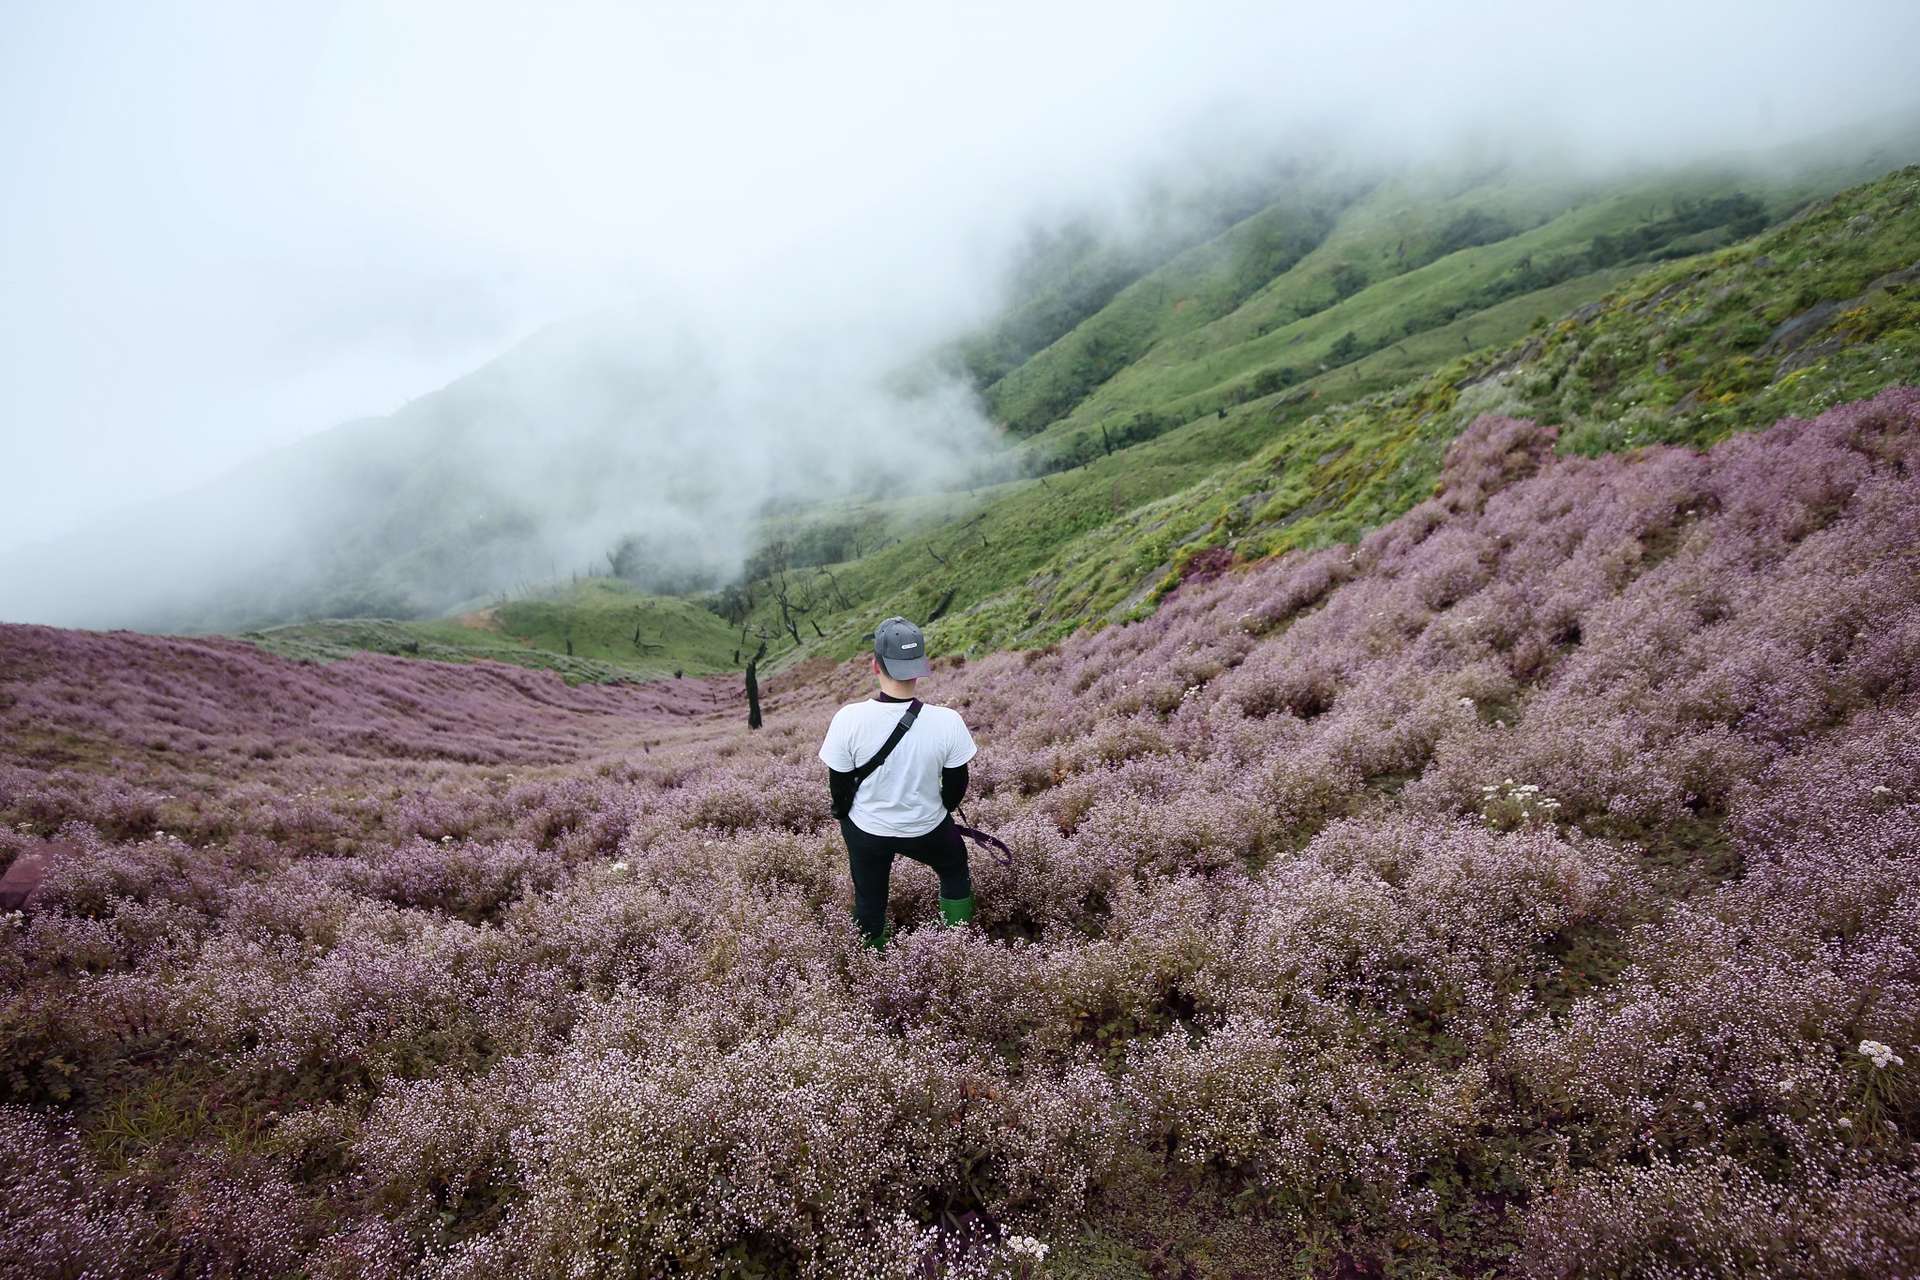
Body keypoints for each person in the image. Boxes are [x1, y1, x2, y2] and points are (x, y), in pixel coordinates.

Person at [818, 616, 977, 949]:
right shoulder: (948, 721)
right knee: (954, 869)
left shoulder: (848, 719)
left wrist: (848, 816)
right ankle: (956, 941)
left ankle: (874, 962)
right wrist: (937, 809)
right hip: (927, 827)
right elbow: (957, 786)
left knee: (869, 897)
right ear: (920, 668)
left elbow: (840, 788)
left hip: (867, 831)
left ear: (876, 665)